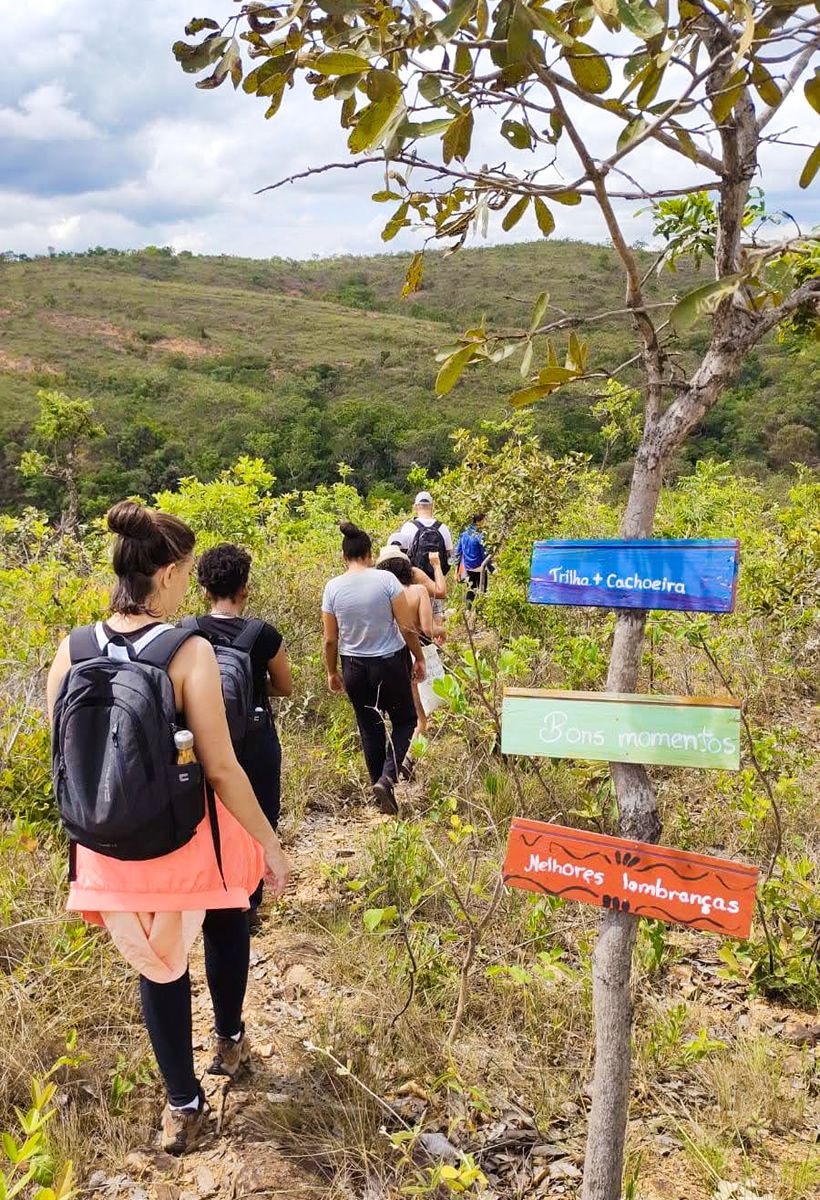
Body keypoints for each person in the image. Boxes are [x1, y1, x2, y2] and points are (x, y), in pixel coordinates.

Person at [46, 501, 290, 1156]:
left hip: (108, 846)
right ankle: (230, 1039)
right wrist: (269, 844)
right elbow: (221, 768)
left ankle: (183, 1104)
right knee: (226, 918)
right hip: (190, 838)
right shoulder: (187, 650)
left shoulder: (69, 652)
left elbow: (67, 761)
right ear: (173, 571)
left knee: (157, 967)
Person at [188, 543, 292, 932]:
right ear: (244, 587)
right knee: (261, 814)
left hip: (202, 742)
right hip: (254, 739)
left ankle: (210, 893)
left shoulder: (183, 632)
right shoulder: (262, 634)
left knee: (205, 815)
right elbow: (285, 686)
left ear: (203, 589)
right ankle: (248, 902)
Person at [322, 522, 426, 815]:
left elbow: (330, 639)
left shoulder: (332, 587)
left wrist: (332, 671)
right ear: (369, 554)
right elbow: (406, 626)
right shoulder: (386, 581)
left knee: (370, 728)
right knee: (405, 720)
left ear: (344, 557)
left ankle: (377, 792)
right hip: (390, 662)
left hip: (353, 665)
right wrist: (418, 657)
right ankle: (387, 778)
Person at [376, 544, 434, 734]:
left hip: (386, 653)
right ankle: (417, 738)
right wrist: (442, 630)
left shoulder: (379, 595)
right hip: (412, 649)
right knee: (417, 711)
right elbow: (427, 628)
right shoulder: (418, 591)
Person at [455, 512, 493, 606]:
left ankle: (468, 611)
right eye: (484, 521)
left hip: (468, 568)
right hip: (480, 568)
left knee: (470, 589)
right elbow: (484, 553)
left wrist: (456, 570)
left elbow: (458, 552)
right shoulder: (480, 536)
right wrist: (492, 568)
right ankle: (480, 614)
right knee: (482, 591)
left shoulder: (463, 534)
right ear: (479, 521)